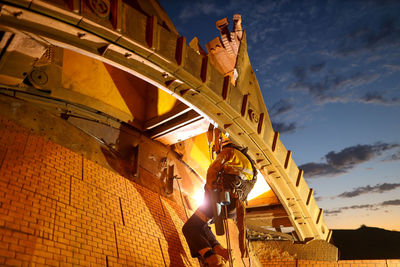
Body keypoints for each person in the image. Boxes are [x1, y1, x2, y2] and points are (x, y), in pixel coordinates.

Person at [182, 138, 257, 267]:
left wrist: (210, 191)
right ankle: (218, 248)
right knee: (202, 225)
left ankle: (213, 260)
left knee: (190, 228)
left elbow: (212, 169)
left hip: (221, 198)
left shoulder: (229, 152)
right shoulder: (252, 169)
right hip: (232, 208)